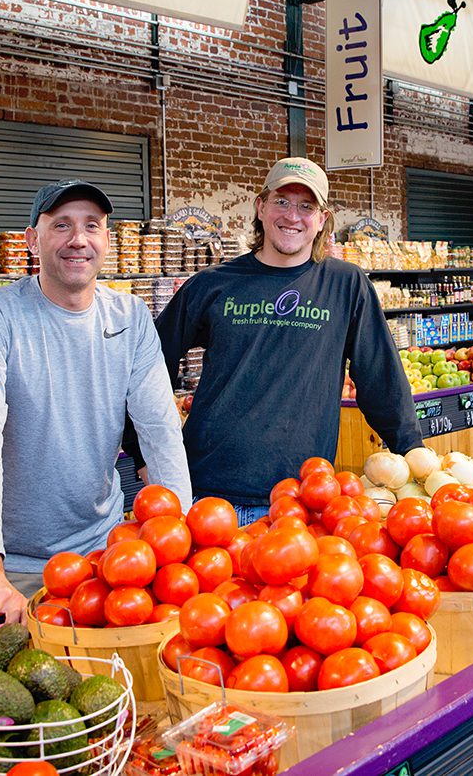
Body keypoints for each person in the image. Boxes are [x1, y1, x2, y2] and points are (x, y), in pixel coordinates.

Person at [0, 180, 192, 636]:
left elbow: (160, 430)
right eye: (61, 225)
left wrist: (182, 536)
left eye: (91, 226)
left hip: (107, 563)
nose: (78, 239)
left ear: (106, 238)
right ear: (31, 239)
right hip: (15, 568)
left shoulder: (131, 317)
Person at [146, 157, 423, 522]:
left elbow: (380, 378)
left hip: (300, 497)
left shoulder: (346, 285)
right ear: (260, 207)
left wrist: (416, 460)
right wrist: (145, 453)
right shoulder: (213, 284)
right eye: (282, 201)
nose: (292, 216)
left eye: (306, 206)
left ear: (322, 219)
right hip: (207, 496)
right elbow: (148, 365)